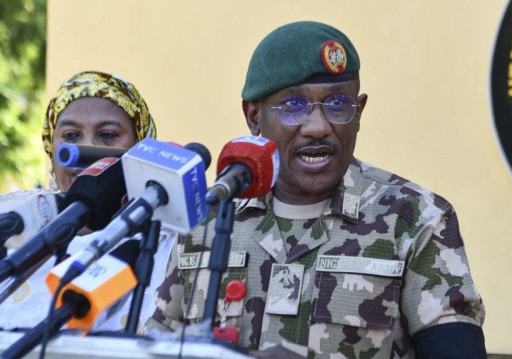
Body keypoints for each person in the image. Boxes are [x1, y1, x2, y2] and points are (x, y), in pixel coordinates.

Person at [145, 21, 486, 358]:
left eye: (338, 104)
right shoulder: (209, 217)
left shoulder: (414, 218)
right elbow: (152, 348)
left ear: (359, 112)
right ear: (253, 117)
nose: (318, 127)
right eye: (293, 106)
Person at [0, 70, 173, 333]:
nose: (86, 152)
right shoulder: (16, 229)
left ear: (140, 150)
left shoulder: (168, 245)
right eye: (71, 136)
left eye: (107, 135)